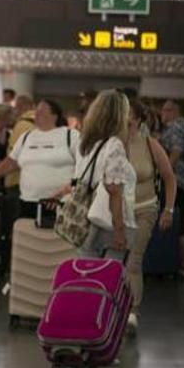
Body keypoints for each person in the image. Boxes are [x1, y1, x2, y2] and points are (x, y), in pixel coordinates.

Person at [125, 99, 177, 334]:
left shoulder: (150, 144)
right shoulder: (110, 143)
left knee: (134, 261)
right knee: (114, 260)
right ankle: (111, 306)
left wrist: (169, 209)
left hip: (145, 209)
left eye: (128, 113)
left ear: (137, 119)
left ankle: (133, 311)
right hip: (116, 211)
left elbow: (169, 177)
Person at [0, 100, 78, 219]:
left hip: (59, 202)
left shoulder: (71, 135)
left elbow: (83, 165)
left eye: (41, 111)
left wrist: (70, 188)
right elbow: (12, 160)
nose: (36, 114)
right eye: (36, 111)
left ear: (54, 116)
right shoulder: (26, 136)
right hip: (28, 201)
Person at [75, 90, 137, 261]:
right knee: (110, 277)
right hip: (112, 220)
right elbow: (114, 190)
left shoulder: (85, 143)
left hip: (87, 216)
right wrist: (119, 230)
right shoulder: (114, 144)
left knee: (86, 273)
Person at [158, 99, 184, 277]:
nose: (162, 113)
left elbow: (176, 151)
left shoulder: (174, 128)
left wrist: (165, 173)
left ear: (174, 112)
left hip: (178, 182)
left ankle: (183, 264)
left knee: (178, 226)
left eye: (165, 110)